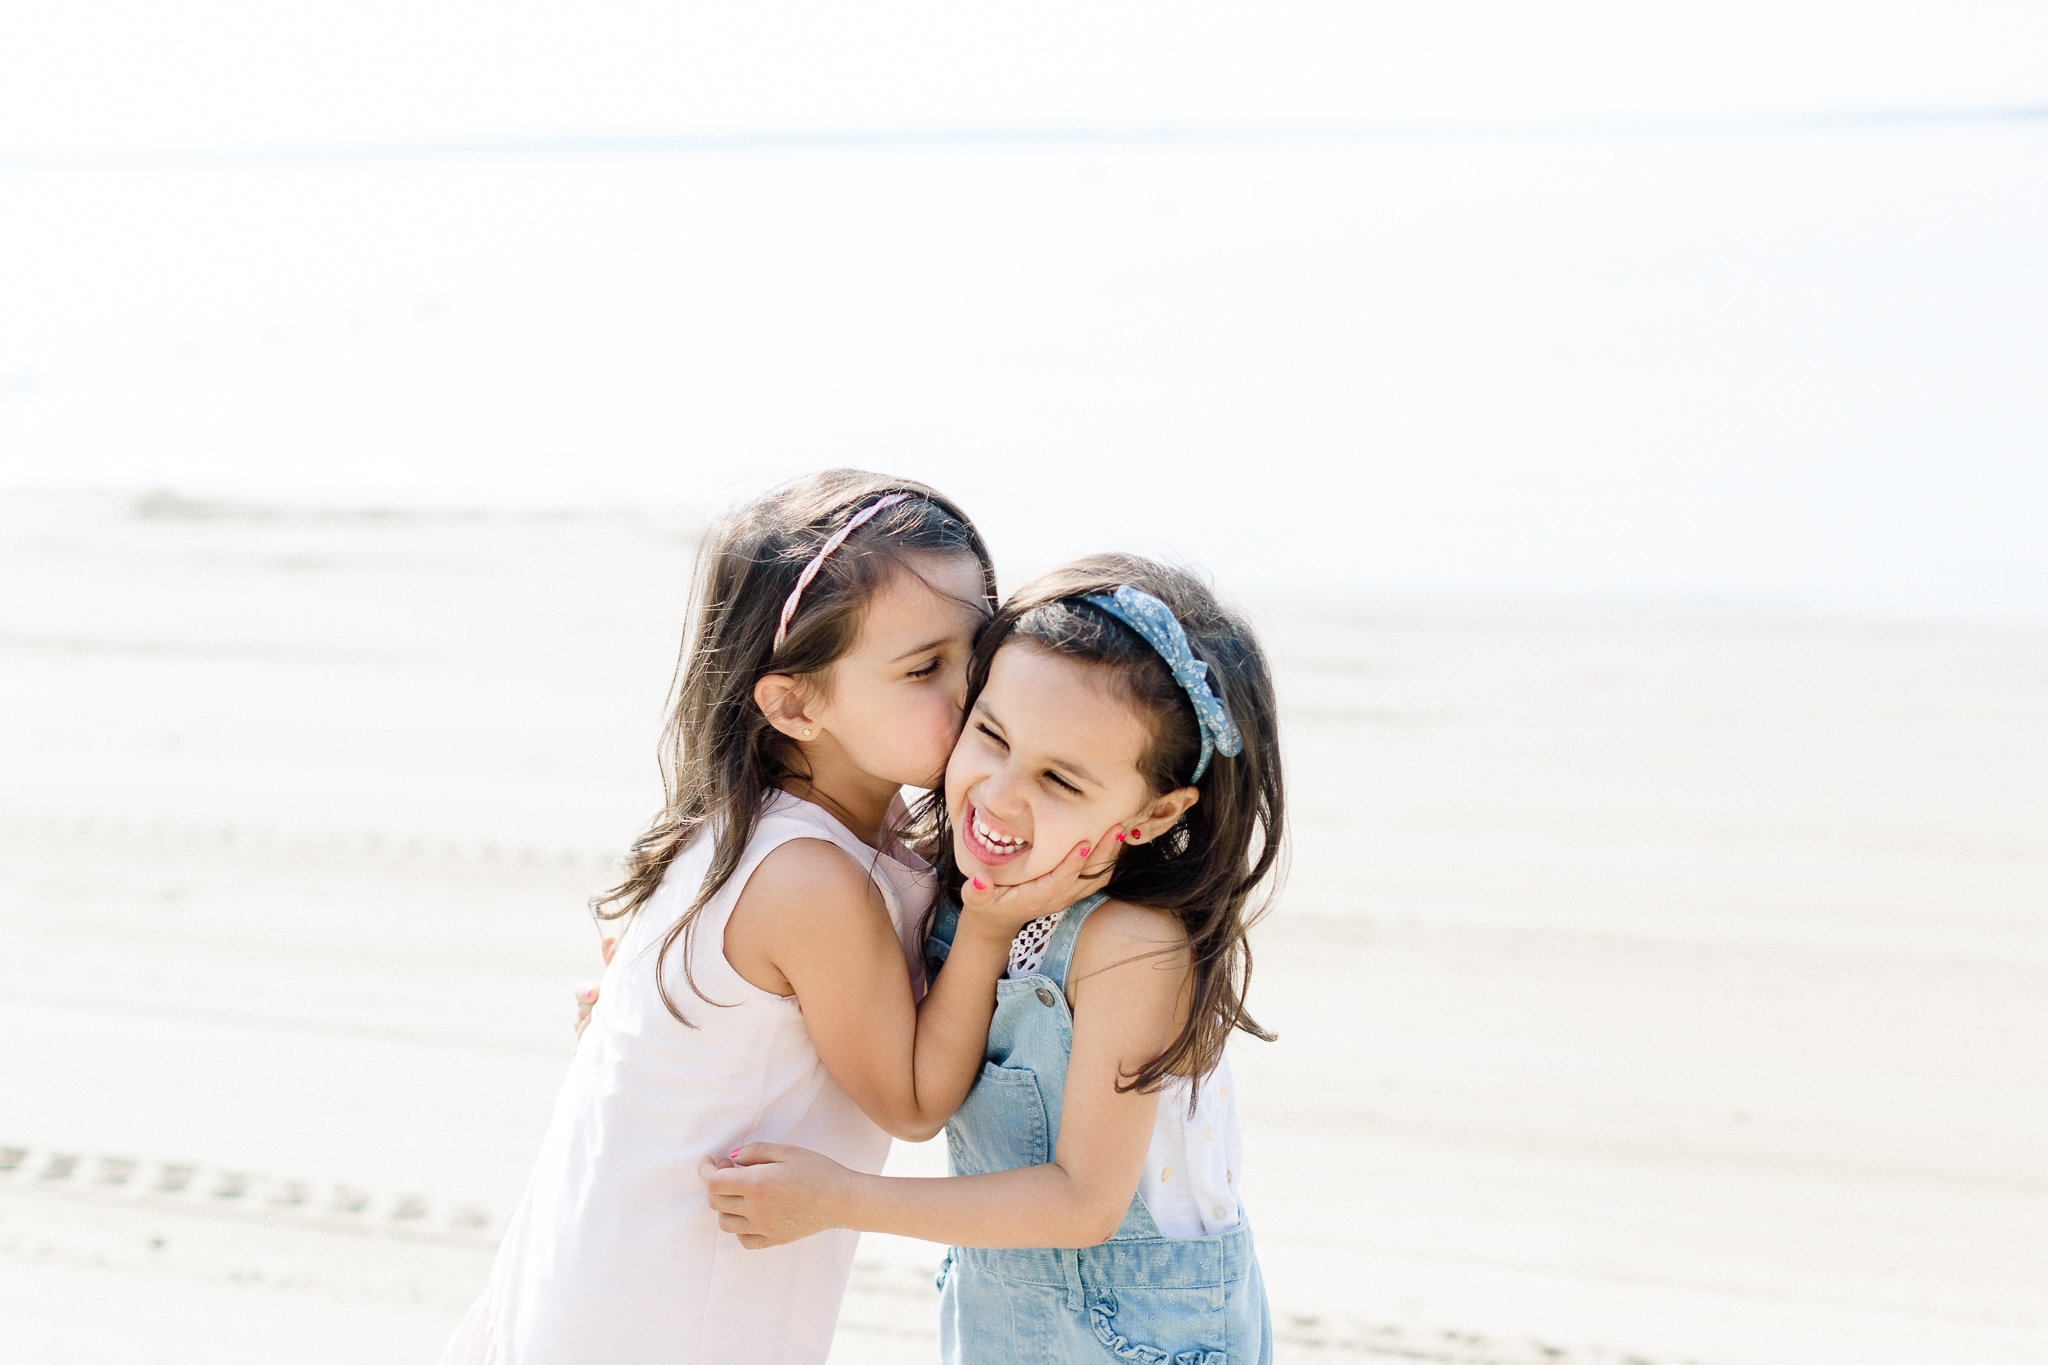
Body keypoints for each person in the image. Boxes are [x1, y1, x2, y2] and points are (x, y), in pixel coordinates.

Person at [442, 472, 1111, 1364]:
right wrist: (987, 928)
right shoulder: (809, 879)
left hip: (597, 1276)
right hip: (664, 1309)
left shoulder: (765, 825)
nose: (972, 692)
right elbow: (911, 1100)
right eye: (925, 669)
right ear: (795, 703)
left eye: (977, 653)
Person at [703, 553, 1284, 1364]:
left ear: (1155, 813)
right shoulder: (969, 888)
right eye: (991, 733)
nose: (1001, 793)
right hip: (1003, 1319)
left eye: (1060, 780)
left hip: (1145, 1338)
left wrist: (842, 1198)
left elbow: (1084, 1201)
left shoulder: (1131, 946)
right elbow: (853, 1008)